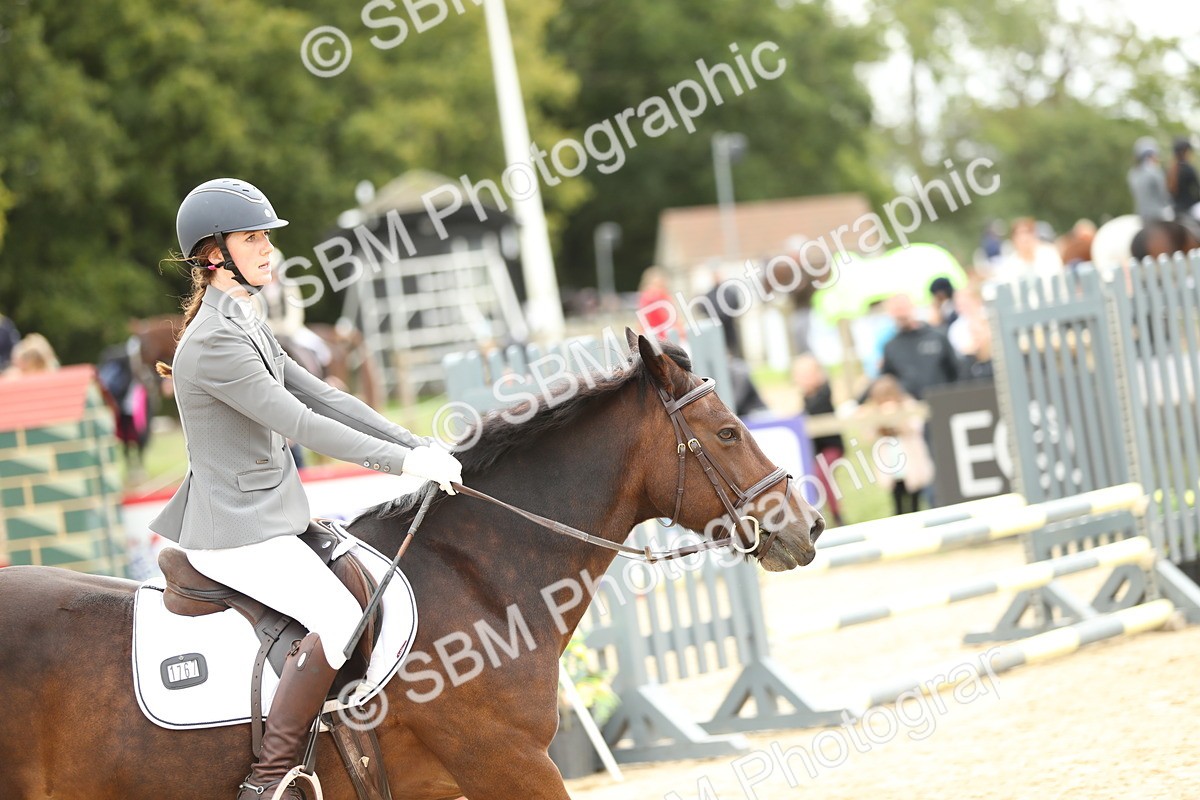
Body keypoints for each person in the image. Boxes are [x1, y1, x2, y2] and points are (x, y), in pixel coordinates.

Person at [150, 178, 463, 800]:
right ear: (214, 255)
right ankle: (270, 780)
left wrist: (415, 444)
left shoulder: (242, 319)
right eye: (252, 238)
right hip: (234, 530)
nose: (267, 250)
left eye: (266, 237)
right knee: (341, 613)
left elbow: (323, 394)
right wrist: (400, 466)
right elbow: (297, 421)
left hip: (270, 515)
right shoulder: (213, 343)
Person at [859, 374, 932, 515]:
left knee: (915, 501)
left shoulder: (908, 404)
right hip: (891, 464)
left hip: (911, 462)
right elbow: (867, 435)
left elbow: (916, 426)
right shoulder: (874, 411)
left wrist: (897, 418)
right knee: (897, 501)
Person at [793, 354, 844, 526]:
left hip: (831, 447)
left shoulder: (824, 392)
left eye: (807, 374)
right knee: (813, 477)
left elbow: (812, 413)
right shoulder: (806, 398)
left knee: (822, 474)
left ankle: (837, 516)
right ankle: (817, 516)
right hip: (816, 450)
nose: (803, 379)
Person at [878, 293, 958, 400]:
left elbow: (956, 370)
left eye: (902, 308)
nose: (901, 314)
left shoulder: (937, 337)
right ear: (890, 314)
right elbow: (888, 380)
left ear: (912, 308)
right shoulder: (890, 346)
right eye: (896, 310)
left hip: (942, 401)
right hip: (912, 407)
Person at [992, 217, 1062, 284]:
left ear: (1034, 235)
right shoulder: (1010, 266)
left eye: (1027, 233)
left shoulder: (1048, 254)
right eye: (1019, 234)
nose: (1024, 238)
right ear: (1013, 239)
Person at [1128, 137, 1175, 226]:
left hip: (1141, 215)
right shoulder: (1155, 171)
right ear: (1151, 155)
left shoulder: (1132, 174)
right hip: (1158, 215)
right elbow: (1163, 195)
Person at [1168, 137, 1200, 224]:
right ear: (1185, 151)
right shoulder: (1188, 169)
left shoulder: (1170, 169)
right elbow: (1197, 189)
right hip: (1189, 208)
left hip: (1174, 209)